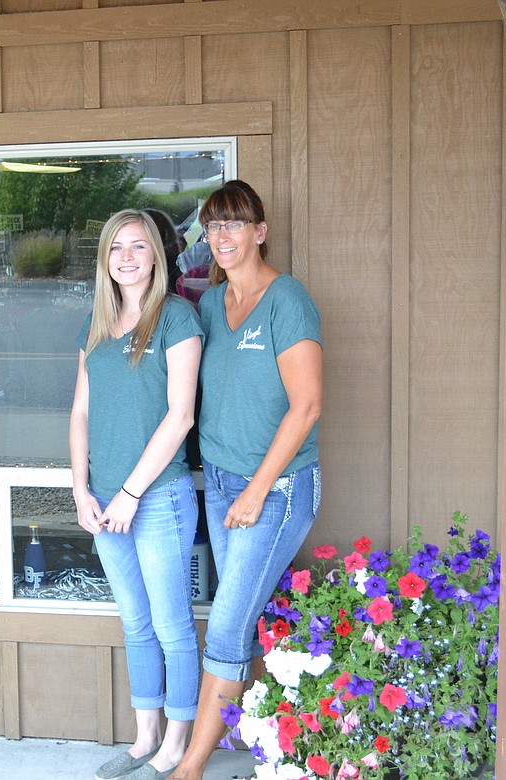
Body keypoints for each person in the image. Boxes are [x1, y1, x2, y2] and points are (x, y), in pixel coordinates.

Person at [164, 180, 322, 780]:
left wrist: (257, 490)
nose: (221, 236)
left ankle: (192, 765)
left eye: (234, 224)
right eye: (213, 226)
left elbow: (305, 406)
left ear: (260, 231)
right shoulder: (210, 304)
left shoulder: (289, 301)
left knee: (227, 625)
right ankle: (273, 743)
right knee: (245, 617)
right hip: (226, 484)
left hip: (275, 491)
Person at [70, 209, 204, 780]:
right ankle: (145, 735)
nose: (126, 257)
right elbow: (80, 412)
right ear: (105, 259)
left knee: (173, 624)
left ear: (157, 256)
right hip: (104, 503)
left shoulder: (176, 318)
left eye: (139, 246)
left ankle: (177, 743)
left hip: (158, 498)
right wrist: (81, 490)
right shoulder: (96, 326)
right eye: (116, 247)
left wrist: (128, 492)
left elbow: (180, 416)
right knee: (136, 623)